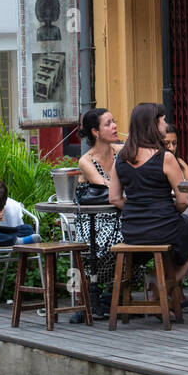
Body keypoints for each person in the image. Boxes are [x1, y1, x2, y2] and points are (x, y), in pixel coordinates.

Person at [111, 102, 188, 284]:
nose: (165, 125)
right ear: (153, 125)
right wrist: (164, 211)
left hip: (131, 231)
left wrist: (138, 208)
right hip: (163, 228)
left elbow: (114, 198)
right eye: (163, 121)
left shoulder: (121, 158)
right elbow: (184, 201)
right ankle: (160, 289)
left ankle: (162, 287)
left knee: (175, 237)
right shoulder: (165, 158)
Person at [73, 107, 123, 296]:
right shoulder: (86, 161)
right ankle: (99, 291)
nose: (115, 126)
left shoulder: (121, 151)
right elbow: (105, 185)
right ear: (95, 132)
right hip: (93, 220)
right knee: (117, 237)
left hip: (117, 214)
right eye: (108, 124)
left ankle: (114, 290)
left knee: (133, 232)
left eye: (114, 121)